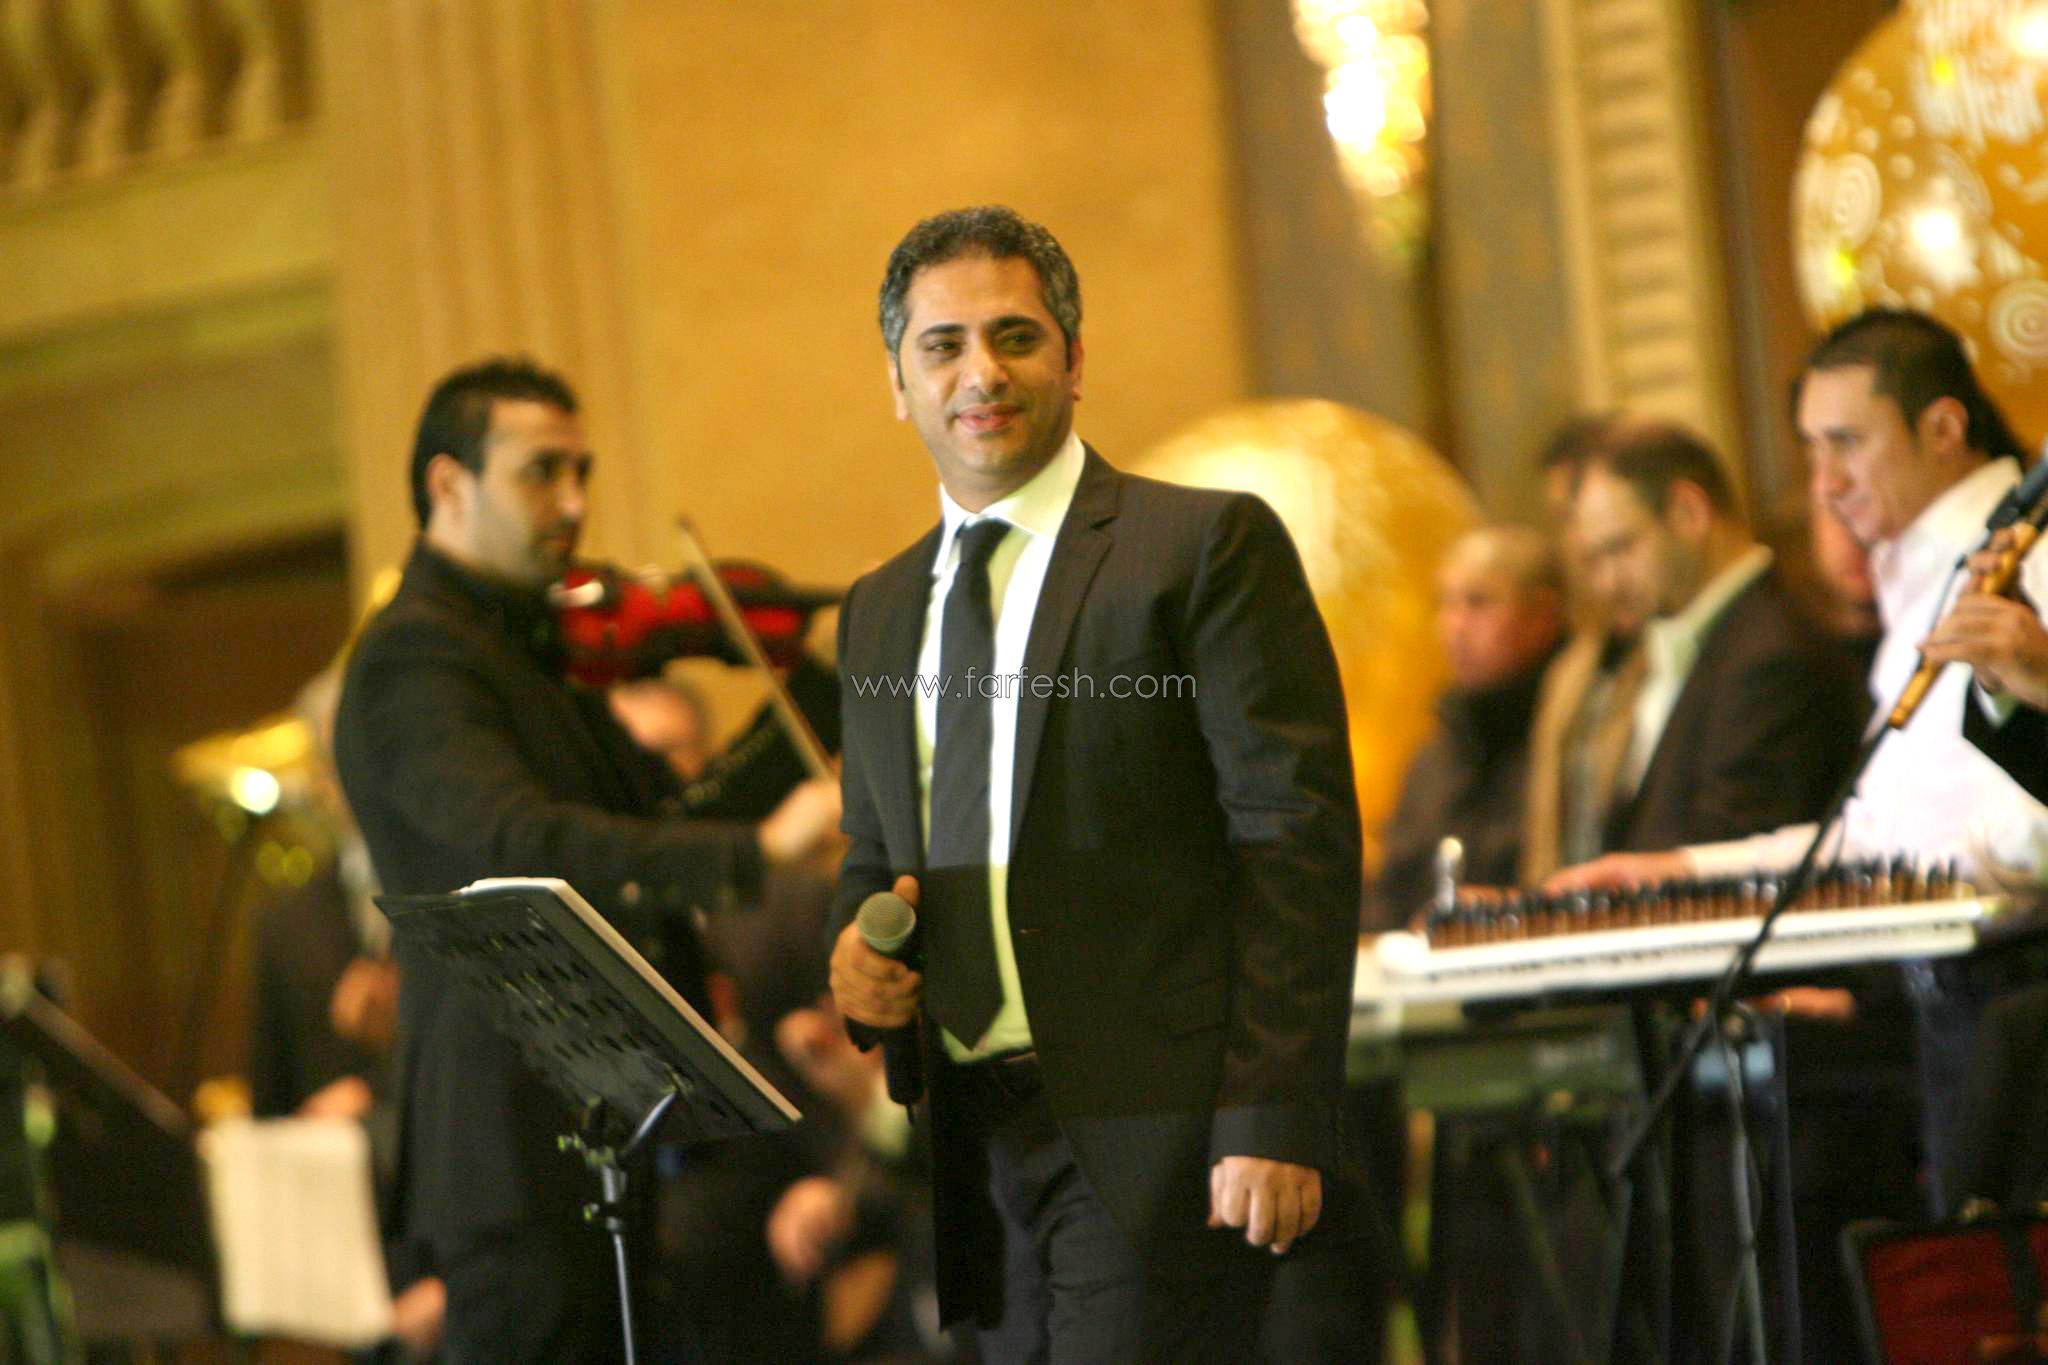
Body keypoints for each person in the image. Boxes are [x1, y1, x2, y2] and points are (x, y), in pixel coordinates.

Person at [825, 206, 1362, 1361]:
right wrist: (854, 958)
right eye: (942, 346)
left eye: (1014, 337)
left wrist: (1272, 1112)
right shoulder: (874, 611)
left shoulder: (1198, 548)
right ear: (897, 383)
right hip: (968, 1155)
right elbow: (871, 854)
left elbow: (1293, 839)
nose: (981, 373)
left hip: (1156, 1139)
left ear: (1073, 360)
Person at [333, 358, 843, 1363]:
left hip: (597, 1117)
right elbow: (520, 845)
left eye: (582, 472)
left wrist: (826, 688)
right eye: (540, 472)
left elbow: (659, 819)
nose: (573, 503)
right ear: (448, 484)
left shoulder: (528, 644)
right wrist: (756, 849)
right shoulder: (412, 659)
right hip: (510, 1135)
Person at [1521, 419, 1864, 880]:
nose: (1607, 583)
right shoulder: (1672, 644)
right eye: (1594, 559)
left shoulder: (1774, 653)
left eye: (1621, 548)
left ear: (1689, 512)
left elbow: (1724, 865)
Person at [1371, 525, 1564, 922]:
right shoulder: (1435, 757)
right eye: (1444, 603)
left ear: (1541, 616)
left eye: (1478, 602)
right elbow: (1391, 895)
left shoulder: (1571, 735)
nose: (1454, 626)